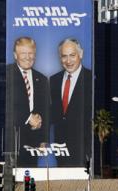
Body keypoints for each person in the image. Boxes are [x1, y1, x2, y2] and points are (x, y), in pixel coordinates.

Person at [6, 37, 49, 166]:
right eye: (23, 53)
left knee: (30, 179)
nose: (28, 57)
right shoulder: (7, 74)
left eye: (31, 53)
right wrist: (29, 117)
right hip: (12, 138)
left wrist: (43, 140)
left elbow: (46, 110)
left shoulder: (41, 79)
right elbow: (9, 105)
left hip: (33, 140)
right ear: (15, 55)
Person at [50, 38, 92, 167]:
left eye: (72, 55)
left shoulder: (90, 78)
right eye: (64, 56)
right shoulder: (54, 80)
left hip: (83, 145)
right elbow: (53, 111)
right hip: (60, 145)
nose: (68, 61)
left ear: (81, 54)